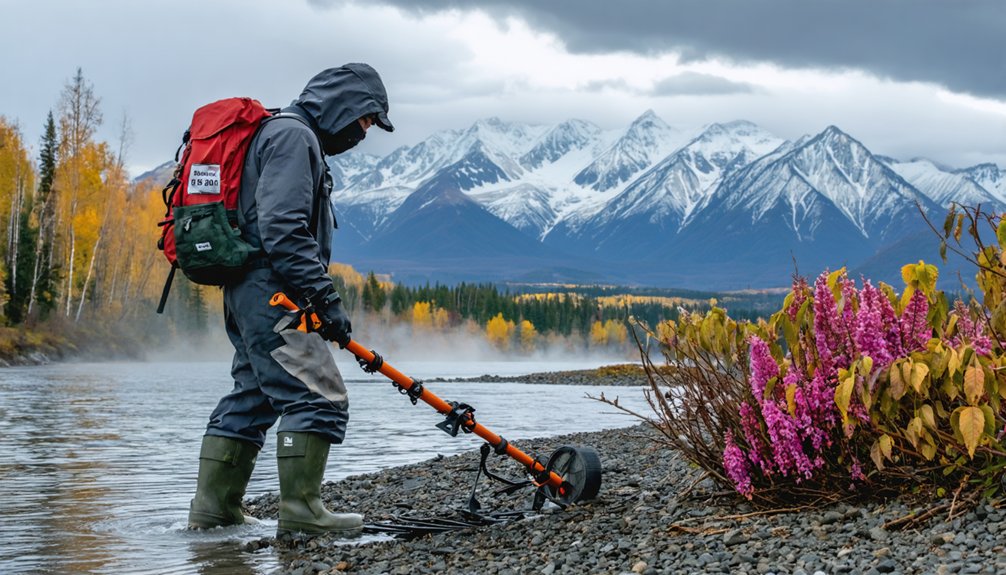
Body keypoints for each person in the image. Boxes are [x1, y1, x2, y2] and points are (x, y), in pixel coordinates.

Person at [187, 63, 393, 537]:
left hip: (248, 290)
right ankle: (303, 512)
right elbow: (282, 228)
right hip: (272, 292)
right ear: (344, 106)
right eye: (365, 119)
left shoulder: (276, 133)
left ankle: (213, 512)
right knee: (317, 394)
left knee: (254, 395)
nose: (364, 132)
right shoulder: (294, 137)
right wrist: (325, 297)